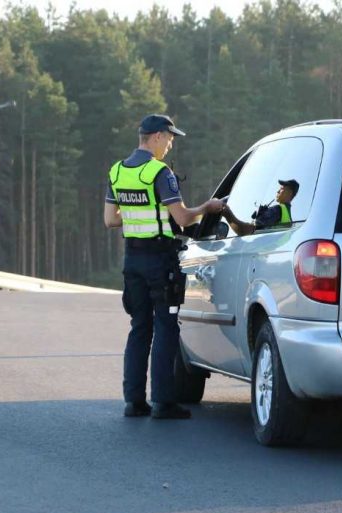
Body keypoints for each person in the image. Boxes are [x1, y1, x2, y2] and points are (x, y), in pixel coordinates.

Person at [104, 114, 226, 419]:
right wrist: (207, 208)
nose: (170, 145)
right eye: (170, 138)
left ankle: (134, 401)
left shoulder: (117, 172)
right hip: (160, 260)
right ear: (156, 136)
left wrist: (139, 211)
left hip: (132, 260)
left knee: (139, 328)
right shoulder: (159, 172)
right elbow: (183, 218)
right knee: (166, 328)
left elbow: (110, 219)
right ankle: (163, 402)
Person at [223, 179, 298, 236]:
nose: (277, 191)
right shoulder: (288, 215)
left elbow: (248, 231)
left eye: (281, 189)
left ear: (289, 193)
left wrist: (227, 213)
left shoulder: (277, 210)